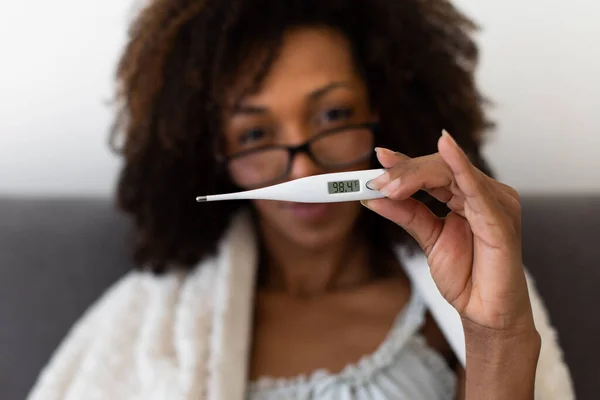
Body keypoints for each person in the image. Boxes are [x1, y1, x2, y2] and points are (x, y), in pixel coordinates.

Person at [28, 0, 574, 399]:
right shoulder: (152, 326)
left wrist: (497, 337)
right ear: (210, 155)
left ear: (387, 111)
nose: (304, 169)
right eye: (254, 135)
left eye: (334, 116)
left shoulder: (452, 312)